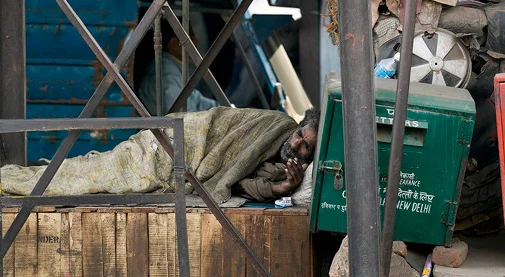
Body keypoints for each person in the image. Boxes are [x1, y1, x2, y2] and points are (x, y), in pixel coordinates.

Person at [2, 107, 317, 203]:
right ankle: (12, 180)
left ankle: (18, 179)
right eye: (300, 134)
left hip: (177, 159)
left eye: (305, 146)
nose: (297, 143)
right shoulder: (277, 125)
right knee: (93, 175)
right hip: (176, 146)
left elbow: (236, 182)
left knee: (93, 178)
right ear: (298, 125)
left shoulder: (285, 168)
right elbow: (231, 164)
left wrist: (281, 187)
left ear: (310, 156)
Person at [138, 29, 217, 115]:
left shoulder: (174, 67)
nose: (196, 43)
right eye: (191, 38)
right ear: (174, 43)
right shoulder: (166, 70)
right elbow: (179, 113)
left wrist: (221, 107)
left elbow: (197, 100)